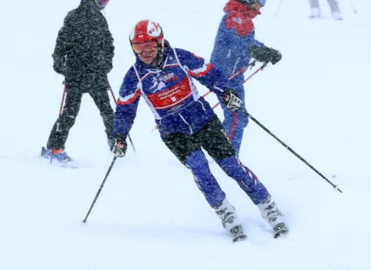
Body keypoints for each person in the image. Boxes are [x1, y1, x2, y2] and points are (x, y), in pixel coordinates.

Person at [111, 19, 288, 241]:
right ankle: (225, 212)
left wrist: (225, 92)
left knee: (232, 165)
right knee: (199, 167)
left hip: (203, 119)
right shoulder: (134, 76)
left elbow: (210, 75)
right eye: (138, 47)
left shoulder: (179, 57)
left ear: (160, 42)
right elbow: (125, 110)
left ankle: (268, 206)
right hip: (173, 131)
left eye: (149, 46)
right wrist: (119, 135)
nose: (144, 52)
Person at [41, 0, 115, 163]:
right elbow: (61, 43)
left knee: (108, 112)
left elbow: (109, 45)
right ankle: (54, 148)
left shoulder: (100, 20)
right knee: (69, 114)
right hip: (76, 74)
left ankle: (116, 144)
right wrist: (59, 63)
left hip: (97, 75)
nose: (105, 3)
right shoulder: (74, 17)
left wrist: (107, 64)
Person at [210, 0, 282, 156]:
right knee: (237, 116)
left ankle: (224, 152)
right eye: (261, 2)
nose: (261, 8)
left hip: (233, 76)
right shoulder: (235, 17)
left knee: (236, 116)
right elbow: (235, 42)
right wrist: (254, 51)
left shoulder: (242, 18)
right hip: (224, 75)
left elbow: (246, 41)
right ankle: (228, 157)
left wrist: (265, 50)